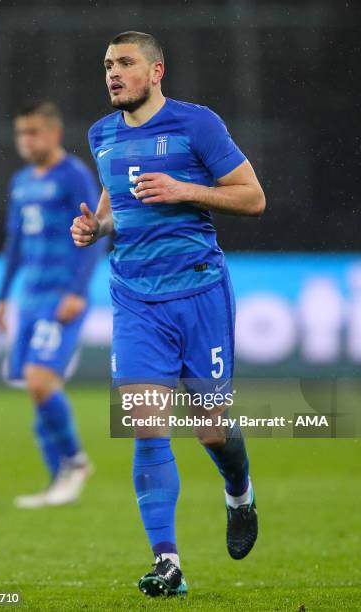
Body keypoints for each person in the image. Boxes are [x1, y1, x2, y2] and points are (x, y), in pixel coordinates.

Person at [71, 31, 265, 597]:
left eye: (126, 63)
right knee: (146, 422)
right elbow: (116, 205)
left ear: (156, 72)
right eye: (108, 64)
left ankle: (239, 494)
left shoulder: (197, 124)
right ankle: (168, 563)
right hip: (134, 297)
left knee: (210, 430)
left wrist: (185, 189)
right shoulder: (101, 134)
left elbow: (252, 197)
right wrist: (96, 227)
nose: (113, 73)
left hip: (199, 292)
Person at [0, 101, 103, 508]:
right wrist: (3, 296)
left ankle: (75, 463)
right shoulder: (21, 181)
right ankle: (59, 476)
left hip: (61, 298)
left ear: (54, 134)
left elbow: (97, 232)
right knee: (36, 388)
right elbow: (15, 244)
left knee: (40, 381)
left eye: (34, 132)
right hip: (29, 298)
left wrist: (77, 290)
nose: (26, 140)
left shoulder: (74, 175)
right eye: (21, 132)